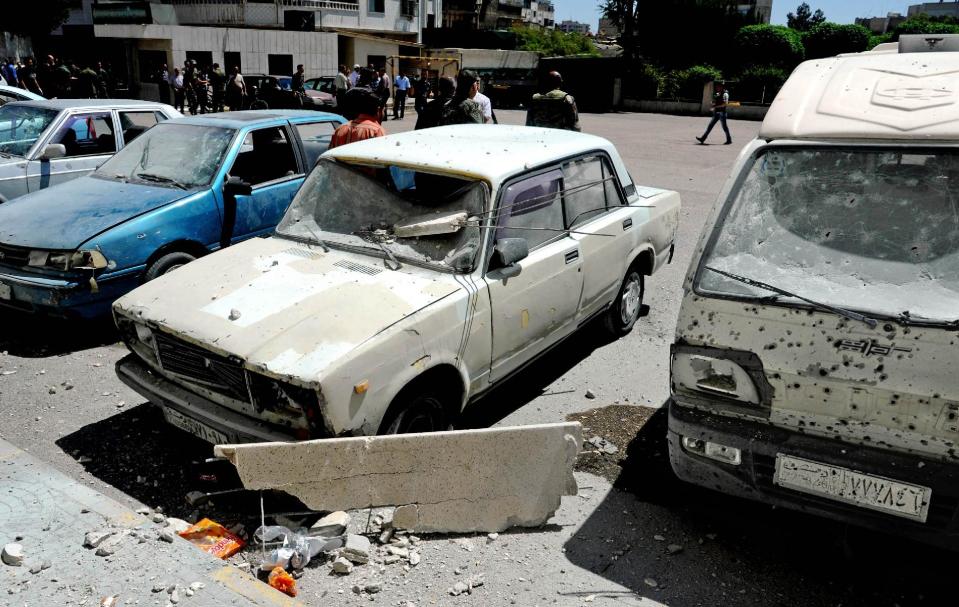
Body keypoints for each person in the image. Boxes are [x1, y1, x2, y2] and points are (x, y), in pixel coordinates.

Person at [328, 83, 386, 149]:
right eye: (384, 110)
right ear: (378, 110)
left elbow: (329, 156)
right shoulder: (376, 131)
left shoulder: (340, 129)